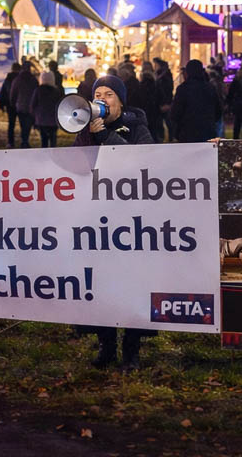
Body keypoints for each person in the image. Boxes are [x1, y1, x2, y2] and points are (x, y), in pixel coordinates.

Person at [71, 74, 153, 369]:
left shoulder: (138, 126)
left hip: (131, 220)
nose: (102, 99)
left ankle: (131, 348)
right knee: (101, 282)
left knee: (132, 284)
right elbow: (76, 167)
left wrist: (107, 136)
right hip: (97, 217)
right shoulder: (88, 126)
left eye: (109, 94)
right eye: (98, 94)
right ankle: (106, 345)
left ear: (120, 100)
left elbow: (142, 161)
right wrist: (88, 134)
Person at [169, 59, 222, 142]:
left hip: (187, 132)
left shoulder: (183, 89)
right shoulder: (210, 88)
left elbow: (175, 113)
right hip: (207, 131)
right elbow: (218, 110)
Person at [30, 70, 64, 147]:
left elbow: (33, 105)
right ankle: (53, 156)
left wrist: (34, 117)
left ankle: (44, 155)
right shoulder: (56, 91)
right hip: (53, 120)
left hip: (41, 120)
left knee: (44, 140)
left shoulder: (38, 90)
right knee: (53, 140)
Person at [12, 58, 40, 148]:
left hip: (21, 105)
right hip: (30, 106)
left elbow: (13, 92)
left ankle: (24, 141)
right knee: (27, 125)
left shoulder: (18, 79)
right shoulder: (33, 80)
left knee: (23, 124)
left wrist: (13, 103)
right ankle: (25, 140)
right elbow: (37, 93)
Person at [0, 62, 23, 149]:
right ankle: (24, 141)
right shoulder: (21, 79)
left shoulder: (8, 79)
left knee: (11, 124)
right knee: (22, 124)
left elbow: (3, 92)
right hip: (20, 104)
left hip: (10, 104)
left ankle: (10, 142)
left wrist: (1, 104)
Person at [226, 60, 242, 139]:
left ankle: (235, 139)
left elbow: (231, 91)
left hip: (238, 103)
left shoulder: (237, 77)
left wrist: (229, 103)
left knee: (237, 123)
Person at [138, 66, 164, 143]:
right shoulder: (156, 86)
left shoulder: (140, 87)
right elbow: (161, 97)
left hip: (144, 111)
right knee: (154, 131)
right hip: (155, 111)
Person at [153, 58, 174, 141]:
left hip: (163, 103)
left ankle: (168, 138)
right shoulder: (164, 75)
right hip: (162, 102)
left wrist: (166, 103)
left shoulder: (163, 77)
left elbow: (166, 90)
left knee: (166, 121)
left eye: (155, 65)